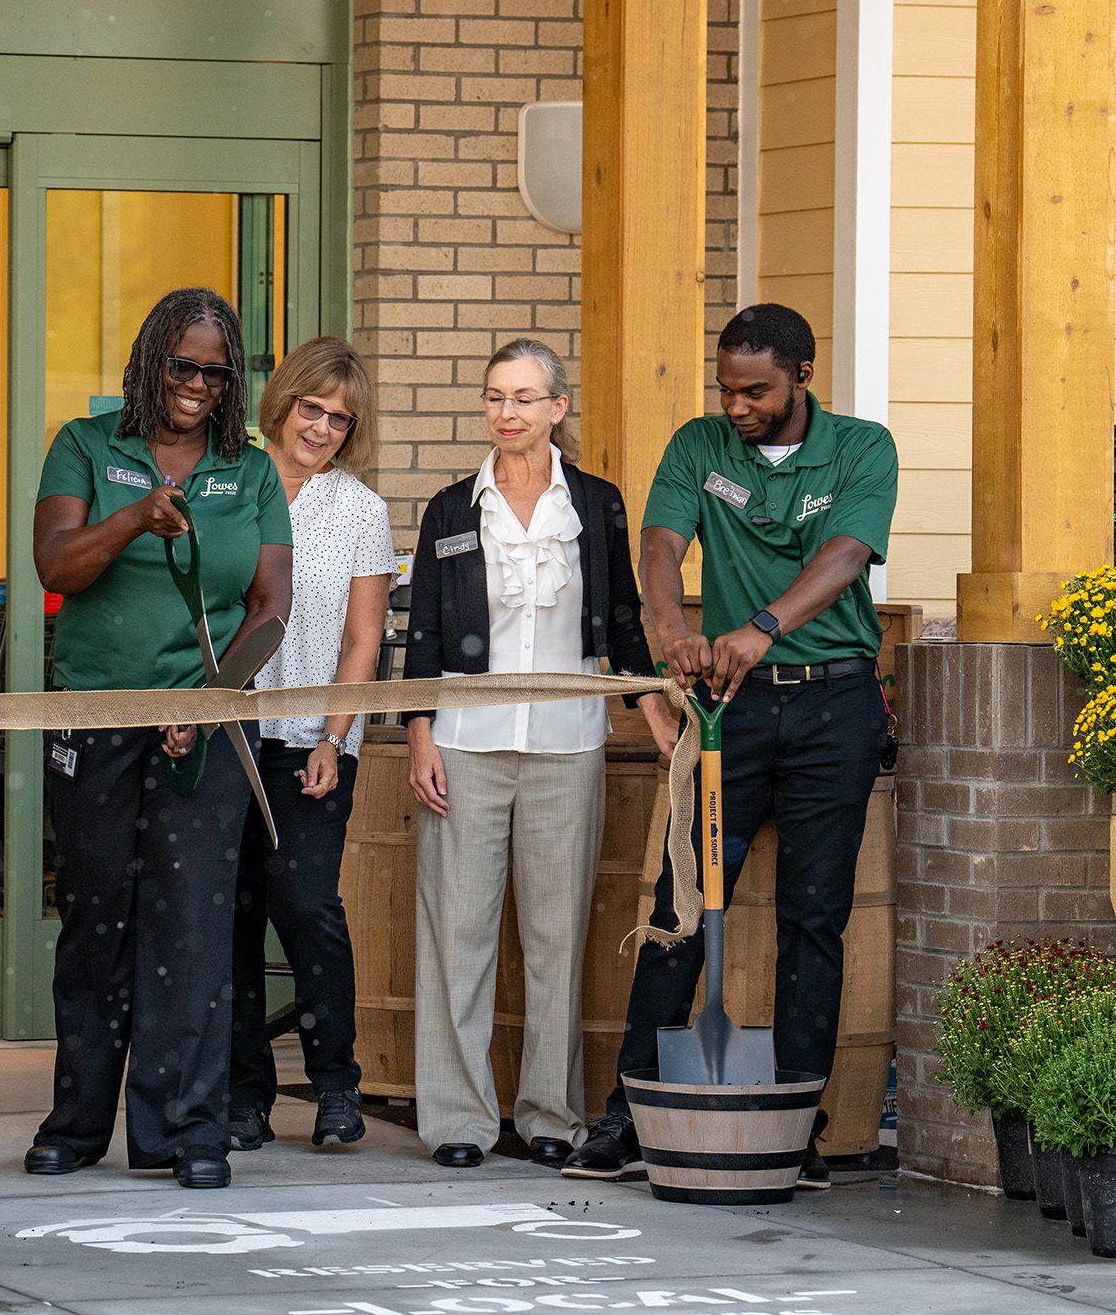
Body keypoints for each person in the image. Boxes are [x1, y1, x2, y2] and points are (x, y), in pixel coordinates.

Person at [562, 303, 897, 1191]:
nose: (738, 405)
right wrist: (671, 628)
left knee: (813, 919)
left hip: (835, 708)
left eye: (757, 391)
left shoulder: (863, 448)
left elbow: (846, 552)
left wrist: (760, 625)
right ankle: (628, 1117)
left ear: (803, 377)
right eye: (727, 388)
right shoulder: (700, 446)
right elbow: (663, 545)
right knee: (684, 903)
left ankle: (798, 1121)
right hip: (730, 713)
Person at [26, 287, 292, 1190]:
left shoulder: (248, 471)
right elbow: (55, 565)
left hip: (204, 727)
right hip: (95, 714)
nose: (200, 385)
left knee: (193, 925)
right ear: (151, 359)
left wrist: (210, 703)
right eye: (184, 365)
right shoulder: (87, 445)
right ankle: (77, 1121)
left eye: (218, 373)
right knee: (96, 919)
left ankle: (188, 1129)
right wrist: (137, 515)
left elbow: (271, 610)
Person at [403, 338, 676, 1172]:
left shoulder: (595, 504)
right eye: (495, 397)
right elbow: (421, 636)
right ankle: (457, 1120)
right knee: (458, 933)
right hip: (464, 744)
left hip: (567, 745)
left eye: (525, 398)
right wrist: (419, 733)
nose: (507, 413)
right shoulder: (452, 509)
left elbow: (624, 617)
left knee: (557, 938)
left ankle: (550, 1113)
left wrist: (654, 711)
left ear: (557, 408)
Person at [227, 337, 394, 1153]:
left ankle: (335, 1084)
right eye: (311, 408)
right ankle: (244, 1097)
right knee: (230, 915)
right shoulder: (230, 484)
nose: (322, 428)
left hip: (311, 742)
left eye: (340, 418)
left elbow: (363, 640)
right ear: (283, 402)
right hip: (229, 733)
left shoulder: (360, 510)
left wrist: (336, 735)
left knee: (306, 906)